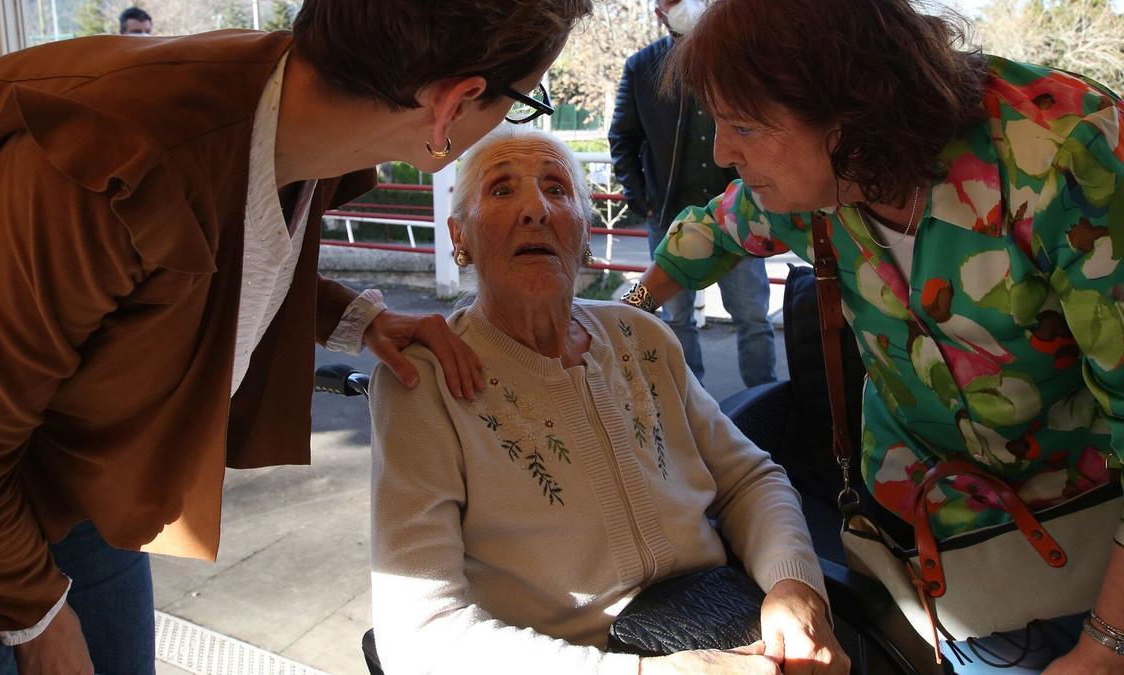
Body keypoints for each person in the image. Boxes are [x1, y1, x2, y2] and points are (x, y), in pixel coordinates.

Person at [0, 1, 593, 673]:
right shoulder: (100, 167)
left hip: (73, 476)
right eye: (522, 101)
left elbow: (214, 253)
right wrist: (40, 620)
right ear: (454, 104)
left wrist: (358, 320)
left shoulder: (296, 109)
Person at [627, 0, 1124, 671]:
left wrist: (1104, 645)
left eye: (743, 124)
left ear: (851, 109)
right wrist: (613, 317)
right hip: (910, 537)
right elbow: (707, 234)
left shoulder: (1064, 156)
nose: (720, 151)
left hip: (1081, 537)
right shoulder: (805, 183)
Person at [369, 126, 848, 675]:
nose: (535, 210)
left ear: (584, 232)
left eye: (556, 189)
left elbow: (749, 479)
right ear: (460, 237)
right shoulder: (421, 382)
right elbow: (418, 637)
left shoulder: (640, 337)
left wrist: (792, 587)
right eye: (502, 191)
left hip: (724, 623)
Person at [609, 0, 775, 387]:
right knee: (675, 320)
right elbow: (623, 137)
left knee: (753, 316)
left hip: (742, 217)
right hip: (667, 218)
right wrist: (642, 200)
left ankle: (767, 403)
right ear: (657, 12)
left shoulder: (740, 61)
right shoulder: (641, 67)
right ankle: (690, 405)